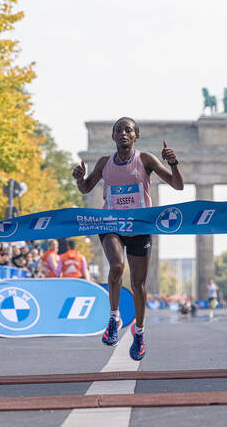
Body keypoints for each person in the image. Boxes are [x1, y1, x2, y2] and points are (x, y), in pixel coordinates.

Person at [72, 116, 183, 361]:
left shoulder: (145, 160)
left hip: (139, 225)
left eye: (128, 130)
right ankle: (114, 318)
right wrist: (80, 178)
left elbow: (177, 185)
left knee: (137, 284)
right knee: (116, 266)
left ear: (136, 137)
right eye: (118, 130)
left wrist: (173, 163)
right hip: (111, 223)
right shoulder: (104, 163)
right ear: (112, 137)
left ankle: (139, 332)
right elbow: (86, 188)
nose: (123, 133)